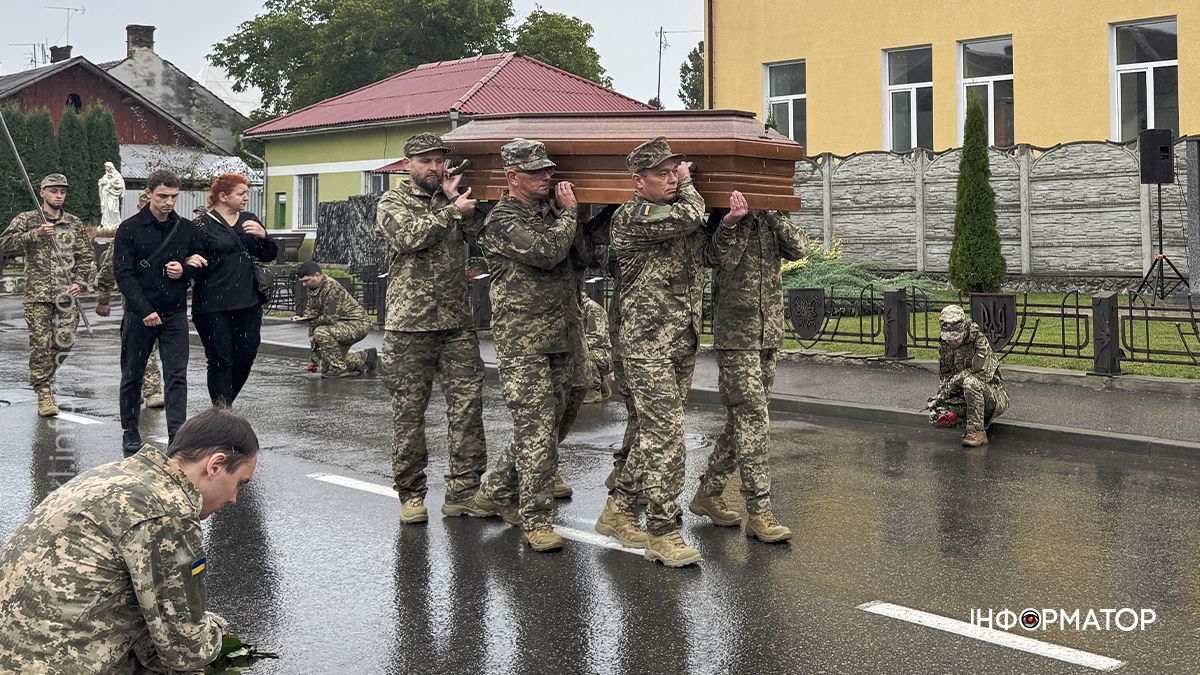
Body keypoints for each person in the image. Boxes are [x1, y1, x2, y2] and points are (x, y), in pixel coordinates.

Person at [0, 406, 259, 672]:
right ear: (215, 465)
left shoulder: (117, 475)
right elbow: (187, 649)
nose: (234, 498)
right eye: (240, 482)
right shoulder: (168, 510)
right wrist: (218, 628)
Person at [598, 137, 733, 567]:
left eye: (676, 170)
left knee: (651, 432)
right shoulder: (633, 216)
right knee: (668, 435)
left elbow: (708, 254)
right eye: (663, 173)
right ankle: (661, 529)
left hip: (680, 339)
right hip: (646, 343)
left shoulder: (676, 217)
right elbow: (690, 217)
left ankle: (619, 509)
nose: (673, 178)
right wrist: (692, 184)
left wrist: (729, 222)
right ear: (638, 182)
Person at [374, 133, 491, 523]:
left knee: (468, 410)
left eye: (439, 160)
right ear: (408, 164)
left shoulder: (453, 200)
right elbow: (408, 237)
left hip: (456, 325)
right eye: (425, 161)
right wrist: (453, 211)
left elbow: (484, 239)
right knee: (409, 415)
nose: (434, 168)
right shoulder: (392, 202)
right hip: (410, 328)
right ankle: (411, 493)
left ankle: (464, 491)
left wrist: (465, 206)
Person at [471, 138, 579, 552]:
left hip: (559, 335)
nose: (547, 176)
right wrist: (570, 215)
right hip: (522, 341)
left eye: (548, 169)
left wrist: (576, 217)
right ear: (512, 177)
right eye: (537, 171)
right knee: (536, 429)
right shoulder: (501, 220)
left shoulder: (546, 214)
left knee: (549, 426)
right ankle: (536, 519)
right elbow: (547, 253)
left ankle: (495, 490)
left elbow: (579, 256)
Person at [691, 204, 806, 544]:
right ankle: (759, 512)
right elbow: (713, 258)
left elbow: (800, 248)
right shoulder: (721, 219)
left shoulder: (771, 218)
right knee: (753, 419)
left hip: (769, 334)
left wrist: (771, 212)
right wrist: (732, 221)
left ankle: (709, 492)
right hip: (736, 337)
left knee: (742, 421)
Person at [114, 170, 202, 453]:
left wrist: (184, 269)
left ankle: (177, 436)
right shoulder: (130, 228)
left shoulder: (186, 229)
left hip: (174, 313)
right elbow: (123, 274)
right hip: (140, 314)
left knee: (176, 376)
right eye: (163, 196)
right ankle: (130, 430)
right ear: (149, 193)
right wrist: (144, 310)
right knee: (133, 374)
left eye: (174, 196)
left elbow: (202, 264)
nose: (169, 202)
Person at [0, 173, 96, 417]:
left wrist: (80, 282)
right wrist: (35, 234)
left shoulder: (73, 222)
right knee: (40, 345)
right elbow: (4, 244)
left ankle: (42, 376)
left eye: (62, 191)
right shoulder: (28, 219)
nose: (59, 195)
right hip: (37, 294)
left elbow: (86, 256)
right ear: (42, 192)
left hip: (66, 295)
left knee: (65, 340)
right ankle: (43, 390)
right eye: (54, 191)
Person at [190, 173, 279, 405]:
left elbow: (268, 255)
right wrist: (189, 260)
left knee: (246, 356)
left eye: (246, 193)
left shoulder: (249, 220)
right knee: (220, 360)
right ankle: (222, 412)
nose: (246, 198)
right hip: (212, 304)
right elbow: (190, 260)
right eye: (241, 194)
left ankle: (224, 406)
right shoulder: (201, 225)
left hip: (248, 301)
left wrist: (264, 236)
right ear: (223, 196)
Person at [928, 304, 1010, 446]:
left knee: (970, 382)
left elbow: (979, 374)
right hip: (964, 395)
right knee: (936, 415)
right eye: (949, 338)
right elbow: (945, 376)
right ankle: (969, 422)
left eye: (956, 337)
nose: (952, 341)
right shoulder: (944, 345)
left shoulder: (979, 341)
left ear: (965, 328)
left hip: (992, 396)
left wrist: (951, 385)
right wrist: (941, 396)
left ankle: (977, 432)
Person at [95, 243, 164, 408]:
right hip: (134, 298)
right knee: (139, 344)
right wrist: (103, 299)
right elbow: (109, 267)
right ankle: (149, 390)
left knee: (146, 345)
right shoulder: (128, 234)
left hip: (163, 295)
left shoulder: (166, 232)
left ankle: (136, 387)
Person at [292, 260, 377, 377]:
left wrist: (312, 325)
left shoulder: (332, 287)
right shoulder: (313, 287)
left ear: (317, 275)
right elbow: (312, 310)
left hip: (357, 324)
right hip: (339, 325)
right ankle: (365, 358)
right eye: (302, 281)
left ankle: (339, 369)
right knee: (325, 367)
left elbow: (329, 318)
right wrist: (304, 320)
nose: (304, 284)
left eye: (306, 280)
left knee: (321, 332)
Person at [580, 290, 613, 403]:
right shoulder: (578, 308)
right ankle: (603, 385)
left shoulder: (592, 308)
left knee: (585, 356)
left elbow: (597, 337)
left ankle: (593, 392)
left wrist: (577, 346)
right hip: (594, 351)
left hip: (603, 353)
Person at [98, 160, 125, 229]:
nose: (106, 168)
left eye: (107, 167)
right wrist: (102, 183)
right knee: (106, 211)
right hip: (106, 196)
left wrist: (112, 185)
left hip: (113, 196)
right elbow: (101, 182)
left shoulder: (117, 175)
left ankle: (115, 224)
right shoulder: (106, 175)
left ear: (110, 167)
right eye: (105, 167)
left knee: (112, 210)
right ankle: (106, 226)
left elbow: (121, 185)